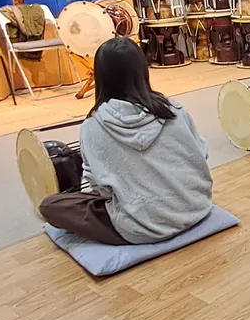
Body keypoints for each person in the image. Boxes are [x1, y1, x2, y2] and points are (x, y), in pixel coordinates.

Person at [39, 37, 214, 245]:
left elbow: (100, 189)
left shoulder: (93, 126)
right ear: (143, 71)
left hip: (142, 227)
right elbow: (201, 152)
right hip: (197, 207)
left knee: (51, 205)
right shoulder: (174, 109)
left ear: (101, 77)